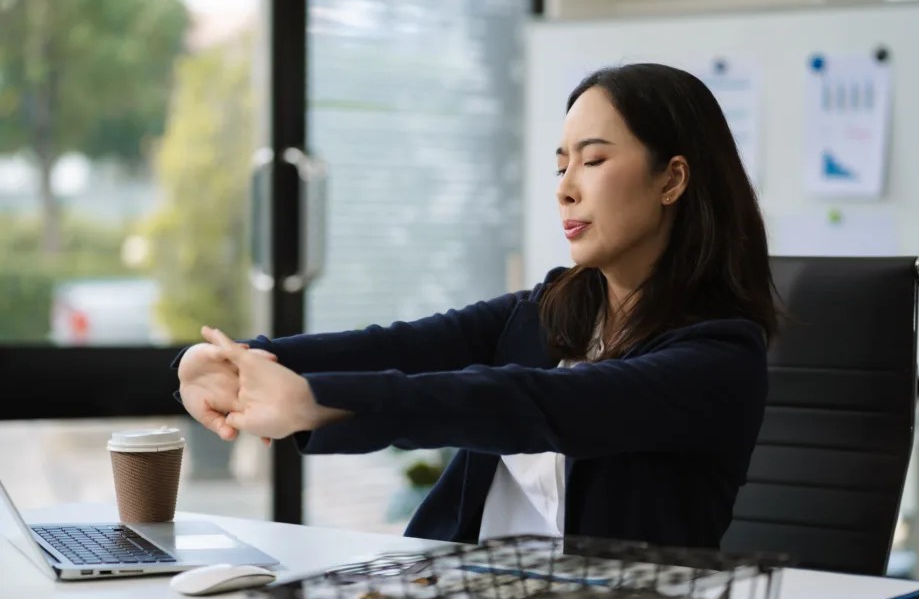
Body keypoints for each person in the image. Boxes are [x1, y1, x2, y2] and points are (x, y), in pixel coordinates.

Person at [173, 63, 779, 550]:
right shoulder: (552, 308)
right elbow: (406, 347)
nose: (565, 185)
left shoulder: (719, 358)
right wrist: (247, 358)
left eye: (593, 161)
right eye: (561, 164)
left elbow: (532, 405)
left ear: (672, 180)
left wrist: (315, 403)